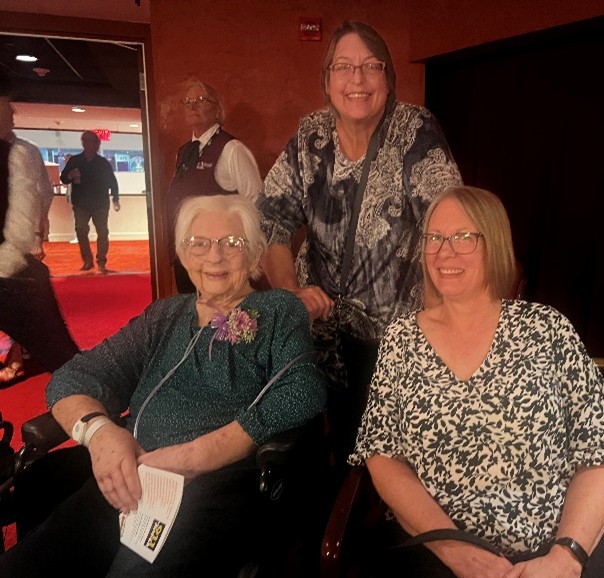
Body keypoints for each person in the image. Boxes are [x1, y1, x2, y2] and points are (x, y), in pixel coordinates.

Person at [0, 194, 327, 576]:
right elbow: (73, 377)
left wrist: (193, 456)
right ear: (183, 254)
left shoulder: (278, 311)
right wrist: (101, 433)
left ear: (254, 254)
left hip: (211, 486)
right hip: (129, 472)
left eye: (231, 243)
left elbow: (303, 389)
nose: (214, 256)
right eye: (199, 243)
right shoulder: (164, 315)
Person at [350, 186, 604, 578]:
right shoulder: (401, 340)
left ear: (495, 244)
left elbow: (601, 454)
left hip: (558, 544)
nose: (444, 252)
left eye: (463, 237)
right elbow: (383, 455)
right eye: (434, 237)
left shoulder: (547, 329)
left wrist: (566, 557)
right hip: (439, 552)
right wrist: (454, 549)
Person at [258, 20, 463, 466]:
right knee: (323, 448)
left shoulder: (414, 130)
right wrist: (291, 294)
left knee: (385, 455)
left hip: (395, 339)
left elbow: (448, 225)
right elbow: (271, 222)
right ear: (327, 79)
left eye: (371, 66)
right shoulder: (310, 138)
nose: (357, 79)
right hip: (320, 331)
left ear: (388, 78)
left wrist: (438, 325)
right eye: (344, 67)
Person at [0, 78, 79, 378]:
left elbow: (35, 201)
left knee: (61, 356)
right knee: (60, 354)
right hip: (13, 272)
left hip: (13, 271)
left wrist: (34, 239)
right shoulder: (16, 152)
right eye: (7, 108)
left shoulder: (21, 152)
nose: (12, 114)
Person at [167, 79, 263, 293]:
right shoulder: (183, 152)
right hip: (187, 257)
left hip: (220, 261)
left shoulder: (232, 149)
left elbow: (258, 205)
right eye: (188, 101)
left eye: (200, 100)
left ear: (217, 110)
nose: (193, 106)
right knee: (192, 310)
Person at [60, 130, 120, 274]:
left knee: (102, 232)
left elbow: (112, 181)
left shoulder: (103, 163)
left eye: (95, 143)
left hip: (100, 203)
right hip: (81, 203)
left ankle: (101, 261)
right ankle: (87, 260)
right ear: (84, 143)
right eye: (89, 142)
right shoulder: (75, 161)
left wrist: (115, 198)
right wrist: (70, 175)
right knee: (81, 230)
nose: (93, 145)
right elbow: (63, 178)